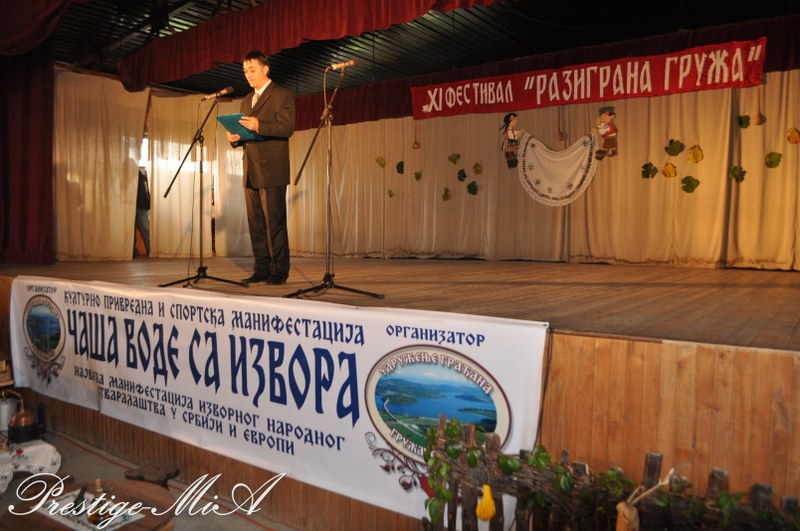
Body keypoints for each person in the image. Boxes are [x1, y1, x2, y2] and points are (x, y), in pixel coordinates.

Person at [226, 51, 296, 285]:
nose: (248, 75)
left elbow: (286, 128)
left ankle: (279, 271)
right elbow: (247, 133)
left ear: (266, 69)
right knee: (256, 224)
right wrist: (236, 138)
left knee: (274, 223)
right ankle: (261, 269)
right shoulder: (247, 100)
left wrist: (259, 125)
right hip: (251, 169)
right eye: (245, 71)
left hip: (272, 169)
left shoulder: (282, 95)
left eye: (252, 69)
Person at [133, 167, 151, 257]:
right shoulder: (131, 174)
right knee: (132, 234)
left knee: (146, 231)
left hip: (141, 208)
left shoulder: (142, 175)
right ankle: (133, 252)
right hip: (136, 207)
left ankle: (150, 250)